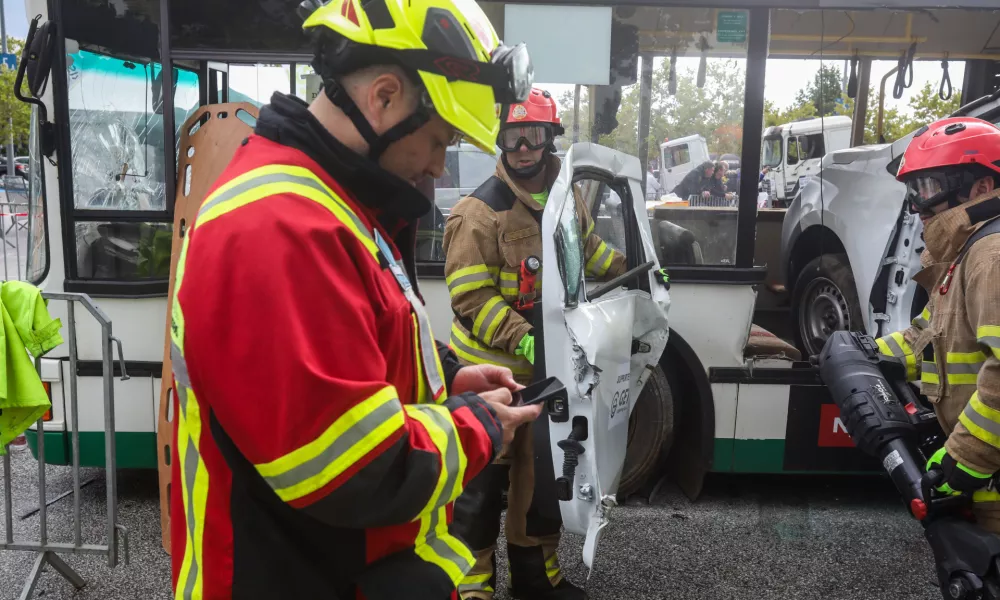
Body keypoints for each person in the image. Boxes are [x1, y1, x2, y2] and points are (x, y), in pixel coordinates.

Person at [167, 0, 544, 598]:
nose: (442, 166)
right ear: (385, 98)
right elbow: (353, 468)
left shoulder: (333, 203)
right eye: (440, 138)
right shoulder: (280, 227)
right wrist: (479, 427)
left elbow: (361, 334)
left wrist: (450, 376)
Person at [441, 88, 626, 600]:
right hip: (491, 379)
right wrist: (522, 340)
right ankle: (472, 589)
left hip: (550, 376)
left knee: (542, 486)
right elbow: (470, 297)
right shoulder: (479, 212)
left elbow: (588, 250)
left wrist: (635, 274)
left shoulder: (566, 198)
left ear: (550, 139)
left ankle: (535, 580)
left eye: (534, 136)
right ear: (500, 141)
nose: (523, 149)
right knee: (477, 492)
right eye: (512, 137)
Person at [875, 116, 1000, 534]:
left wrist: (964, 458)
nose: (917, 206)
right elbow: (922, 340)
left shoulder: (991, 256)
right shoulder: (965, 256)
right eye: (914, 191)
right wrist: (866, 355)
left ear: (982, 187)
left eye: (928, 189)